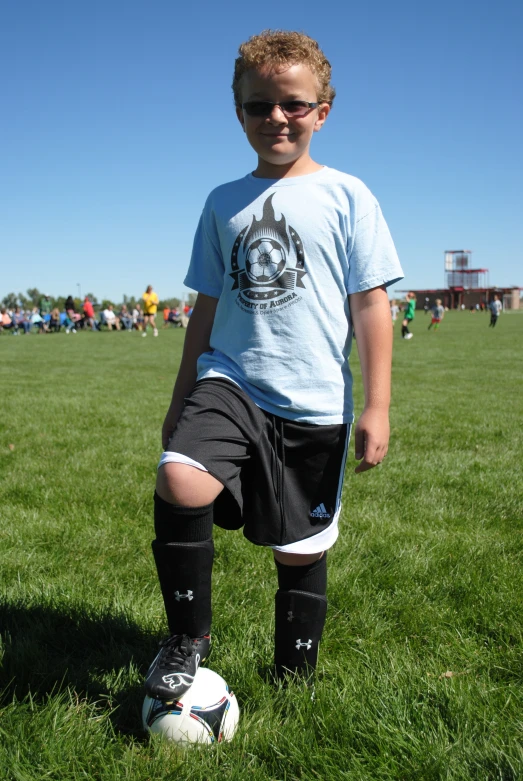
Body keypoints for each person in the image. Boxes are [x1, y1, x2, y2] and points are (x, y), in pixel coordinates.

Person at [144, 29, 403, 702]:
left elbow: (372, 306)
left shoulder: (349, 196)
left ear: (322, 109)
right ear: (238, 112)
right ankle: (187, 637)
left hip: (315, 401)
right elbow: (202, 310)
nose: (276, 118)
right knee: (180, 476)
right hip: (229, 379)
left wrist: (376, 405)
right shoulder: (221, 202)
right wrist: (181, 396)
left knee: (300, 549)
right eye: (258, 106)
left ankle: (294, 679)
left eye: (292, 104)